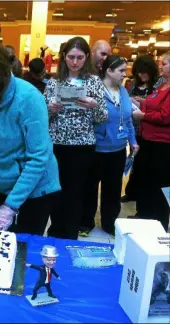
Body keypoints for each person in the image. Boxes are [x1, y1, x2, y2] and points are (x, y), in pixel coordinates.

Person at [0, 39, 60, 234]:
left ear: (2, 77)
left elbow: (38, 158)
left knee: (20, 250)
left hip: (33, 189)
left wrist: (10, 207)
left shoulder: (29, 98)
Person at [44, 36, 108, 240]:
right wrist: (50, 109)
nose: (75, 62)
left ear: (86, 57)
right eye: (71, 57)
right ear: (64, 57)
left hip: (82, 145)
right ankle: (55, 232)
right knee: (55, 192)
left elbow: (103, 117)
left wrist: (94, 105)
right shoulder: (54, 81)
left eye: (80, 57)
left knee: (75, 194)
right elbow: (41, 116)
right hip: (56, 144)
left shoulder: (94, 82)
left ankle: (70, 235)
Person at [80, 55, 139, 237]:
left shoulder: (123, 91)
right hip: (97, 149)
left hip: (118, 150)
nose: (125, 74)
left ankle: (109, 223)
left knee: (113, 190)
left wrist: (133, 141)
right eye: (121, 70)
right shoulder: (95, 90)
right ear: (109, 71)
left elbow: (127, 118)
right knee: (90, 188)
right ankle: (85, 223)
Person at [131, 52, 170, 231]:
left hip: (162, 145)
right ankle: (145, 218)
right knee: (146, 181)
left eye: (165, 63)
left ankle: (158, 224)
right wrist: (141, 103)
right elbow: (154, 105)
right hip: (148, 141)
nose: (161, 66)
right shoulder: (162, 86)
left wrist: (143, 115)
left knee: (159, 186)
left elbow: (165, 116)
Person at [122, 55, 164, 205]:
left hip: (151, 130)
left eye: (144, 72)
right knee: (135, 162)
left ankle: (141, 195)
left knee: (146, 164)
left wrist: (144, 103)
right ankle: (131, 192)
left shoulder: (160, 84)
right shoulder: (133, 84)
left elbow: (160, 109)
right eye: (139, 72)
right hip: (135, 129)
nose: (142, 75)